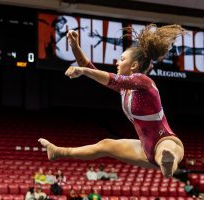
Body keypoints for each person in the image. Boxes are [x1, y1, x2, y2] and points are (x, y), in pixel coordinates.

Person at [38, 24, 185, 178]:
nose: (117, 62)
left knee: (166, 149)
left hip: (165, 139)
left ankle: (167, 163)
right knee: (106, 145)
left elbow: (109, 77)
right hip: (145, 149)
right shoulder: (125, 90)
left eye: (122, 59)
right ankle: (58, 152)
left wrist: (82, 71)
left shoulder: (144, 81)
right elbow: (90, 68)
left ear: (134, 65)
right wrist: (75, 46)